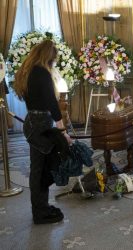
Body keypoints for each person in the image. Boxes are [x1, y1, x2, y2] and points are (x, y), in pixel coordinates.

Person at [13, 40, 72, 224]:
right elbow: (52, 104)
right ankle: (40, 212)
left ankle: (40, 208)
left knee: (39, 168)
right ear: (48, 57)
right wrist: (62, 130)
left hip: (33, 122)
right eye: (53, 60)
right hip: (40, 125)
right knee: (41, 170)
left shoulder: (29, 71)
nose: (53, 64)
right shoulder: (41, 73)